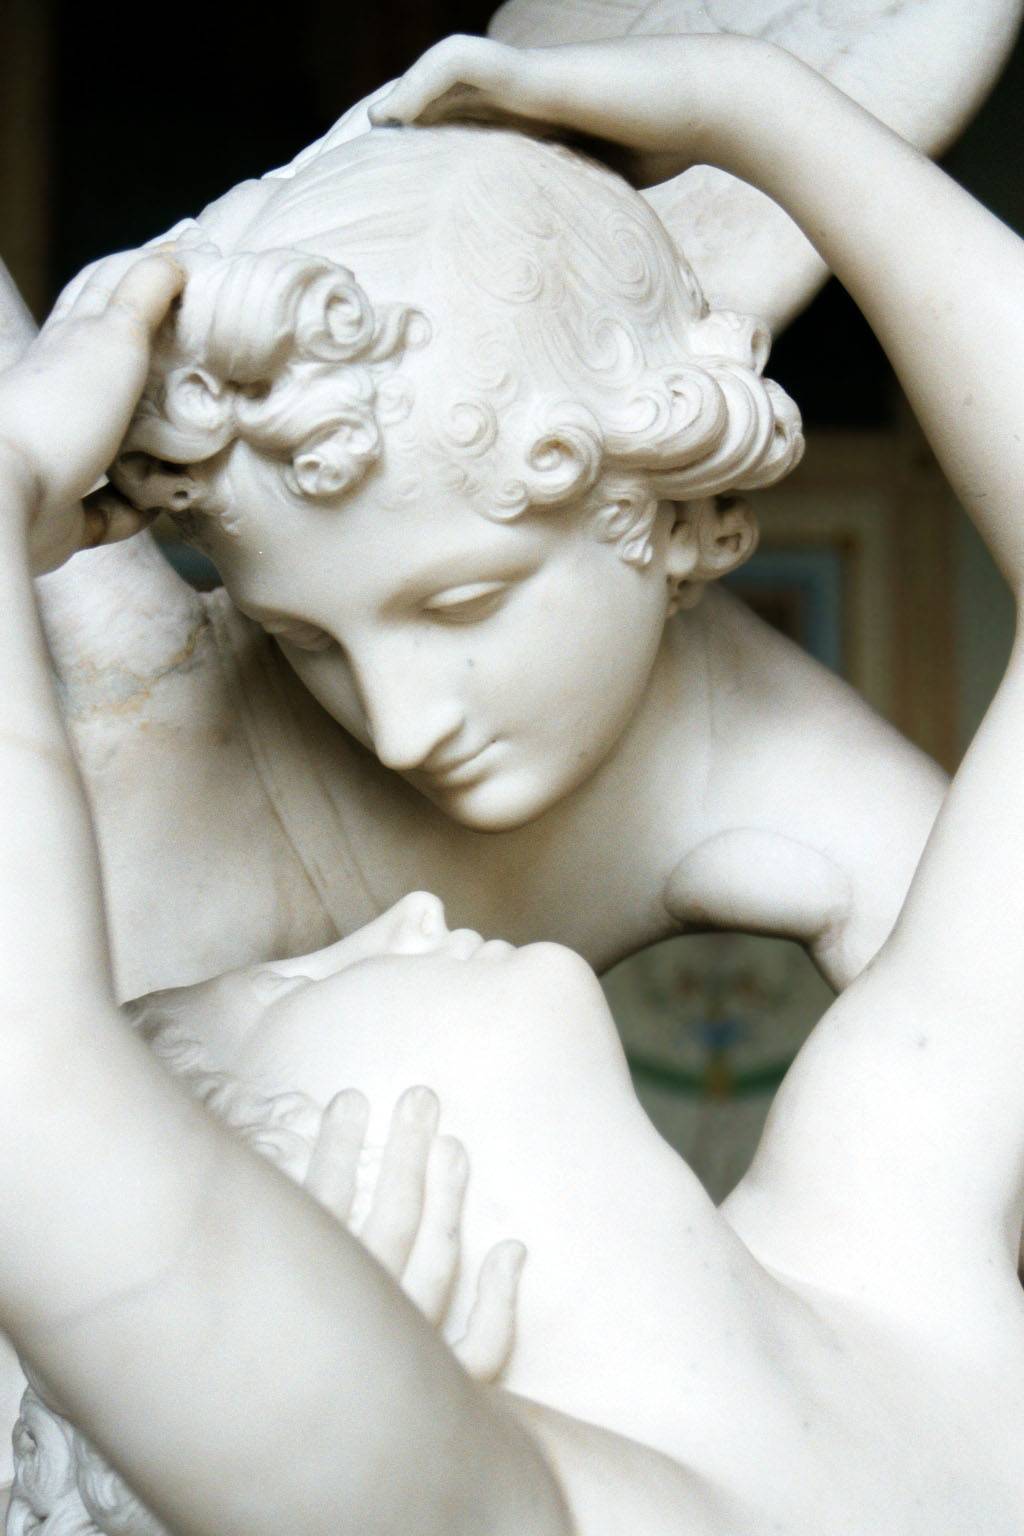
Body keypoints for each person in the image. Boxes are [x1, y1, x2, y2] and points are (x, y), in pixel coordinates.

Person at [1, 34, 1024, 1526]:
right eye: (294, 981)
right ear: (323, 1263)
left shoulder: (878, 1259)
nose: (395, 911)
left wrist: (746, 104)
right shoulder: (487, 1503)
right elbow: (30, 1087)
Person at [16, 40, 947, 1006]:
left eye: (461, 604)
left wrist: (746, 97)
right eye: (302, 638)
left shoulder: (824, 801)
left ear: (657, 499)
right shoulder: (110, 629)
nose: (401, 734)